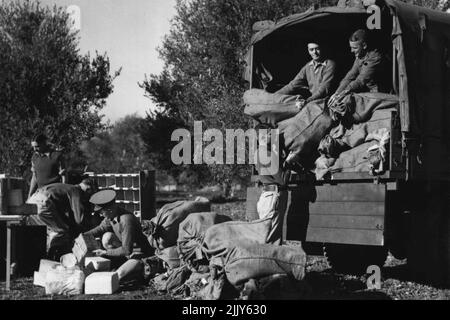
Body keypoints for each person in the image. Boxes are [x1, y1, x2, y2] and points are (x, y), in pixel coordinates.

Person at [84, 190, 153, 284]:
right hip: (128, 251)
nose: (100, 215)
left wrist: (105, 252)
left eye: (101, 212)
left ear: (109, 210)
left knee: (116, 277)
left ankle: (138, 271)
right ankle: (122, 263)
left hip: (139, 254)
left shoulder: (126, 220)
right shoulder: (112, 215)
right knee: (107, 237)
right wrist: (83, 236)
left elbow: (126, 250)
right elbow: (101, 228)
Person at [36, 178, 97, 259]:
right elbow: (79, 219)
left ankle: (49, 253)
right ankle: (52, 257)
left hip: (36, 199)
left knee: (55, 230)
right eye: (90, 194)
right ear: (88, 189)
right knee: (62, 231)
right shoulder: (76, 191)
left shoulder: (68, 188)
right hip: (44, 203)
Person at [328, 29, 388, 108]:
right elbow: (350, 76)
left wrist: (344, 92)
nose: (351, 51)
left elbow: (360, 80)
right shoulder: (360, 57)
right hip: (368, 93)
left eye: (355, 48)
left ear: (364, 45)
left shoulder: (375, 57)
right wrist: (337, 93)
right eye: (351, 47)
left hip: (380, 94)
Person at [253, 123, 291, 245]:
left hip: (268, 196)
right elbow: (282, 180)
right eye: (269, 133)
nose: (272, 135)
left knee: (268, 237)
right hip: (273, 198)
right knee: (271, 240)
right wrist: (290, 163)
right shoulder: (266, 154)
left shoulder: (260, 153)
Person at [276, 40, 337, 109]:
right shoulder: (308, 66)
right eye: (311, 50)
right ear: (308, 51)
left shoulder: (330, 64)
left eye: (317, 49)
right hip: (313, 102)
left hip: (328, 103)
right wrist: (274, 95)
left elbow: (323, 89)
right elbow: (293, 84)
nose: (315, 52)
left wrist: (307, 101)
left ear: (322, 49)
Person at [28, 134, 66, 199]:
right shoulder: (34, 157)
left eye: (37, 146)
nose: (34, 149)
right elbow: (34, 177)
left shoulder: (56, 156)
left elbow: (64, 175)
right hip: (41, 193)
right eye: (33, 147)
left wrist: (63, 192)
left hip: (54, 192)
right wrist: (30, 195)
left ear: (44, 143)